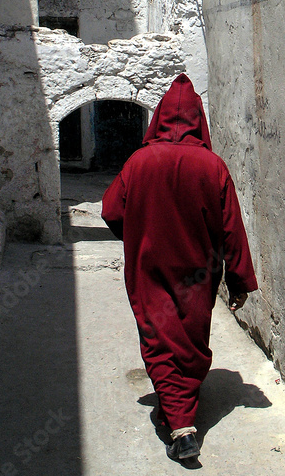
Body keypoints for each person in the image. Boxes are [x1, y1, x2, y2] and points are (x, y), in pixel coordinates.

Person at [101, 73, 258, 462]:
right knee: (189, 336)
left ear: (158, 119)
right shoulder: (213, 166)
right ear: (199, 120)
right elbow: (232, 228)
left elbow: (110, 209)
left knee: (158, 335)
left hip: (149, 266)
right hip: (198, 272)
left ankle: (181, 425)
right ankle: (182, 413)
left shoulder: (139, 161)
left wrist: (139, 235)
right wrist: (238, 280)